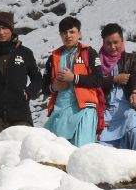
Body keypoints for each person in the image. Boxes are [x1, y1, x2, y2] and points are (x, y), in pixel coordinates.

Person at [0, 11, 43, 143]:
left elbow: (37, 79)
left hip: (20, 113)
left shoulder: (25, 53)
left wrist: (28, 93)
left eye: (5, 28)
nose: (1, 32)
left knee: (22, 154)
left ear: (11, 29)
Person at [43, 16, 103, 146]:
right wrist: (54, 87)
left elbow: (98, 79)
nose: (68, 36)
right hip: (60, 110)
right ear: (60, 35)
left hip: (85, 109)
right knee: (56, 152)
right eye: (64, 33)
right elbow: (44, 87)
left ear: (79, 33)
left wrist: (74, 78)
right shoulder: (54, 57)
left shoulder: (89, 53)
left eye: (72, 32)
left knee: (81, 151)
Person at [97, 23, 136, 152]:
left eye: (116, 42)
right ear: (103, 43)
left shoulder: (131, 59)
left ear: (122, 41)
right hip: (106, 111)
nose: (112, 47)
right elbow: (94, 83)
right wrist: (113, 79)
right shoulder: (96, 62)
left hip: (128, 108)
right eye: (108, 43)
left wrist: (135, 93)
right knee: (101, 146)